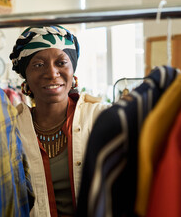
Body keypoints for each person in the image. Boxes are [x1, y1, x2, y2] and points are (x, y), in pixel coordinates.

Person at [9, 25, 108, 217]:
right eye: (38, 64)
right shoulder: (12, 128)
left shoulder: (100, 119)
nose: (52, 73)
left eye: (61, 63)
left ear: (73, 71)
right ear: (25, 76)